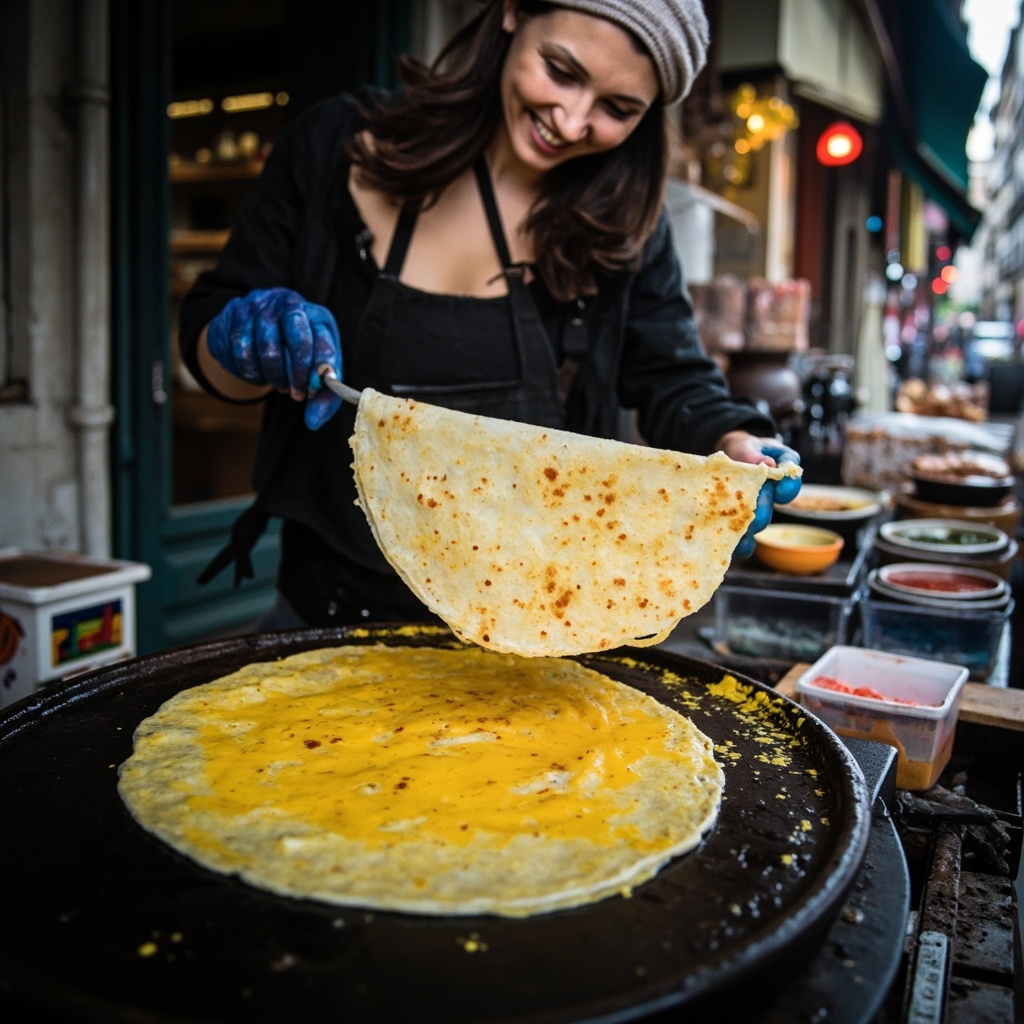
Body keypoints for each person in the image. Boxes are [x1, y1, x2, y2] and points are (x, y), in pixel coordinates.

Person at [179, 0, 801, 631]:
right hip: (327, 614)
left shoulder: (625, 222)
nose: (572, 120)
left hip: (537, 630)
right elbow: (209, 346)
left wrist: (734, 444)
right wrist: (243, 342)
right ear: (512, 12)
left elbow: (674, 379)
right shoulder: (335, 149)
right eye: (561, 70)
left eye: (617, 109)